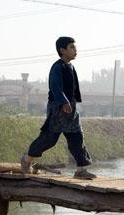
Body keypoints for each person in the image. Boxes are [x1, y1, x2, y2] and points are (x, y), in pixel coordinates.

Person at [21, 36, 96, 179]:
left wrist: (70, 103)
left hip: (70, 107)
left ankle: (81, 170)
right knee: (50, 138)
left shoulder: (70, 66)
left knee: (77, 137)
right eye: (72, 48)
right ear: (62, 50)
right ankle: (27, 160)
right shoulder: (57, 67)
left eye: (75, 47)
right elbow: (55, 86)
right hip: (58, 107)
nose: (75, 50)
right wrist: (63, 102)